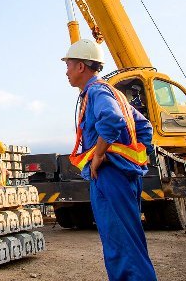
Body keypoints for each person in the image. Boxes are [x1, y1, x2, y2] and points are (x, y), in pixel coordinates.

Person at [62, 39, 157, 281]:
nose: (66, 71)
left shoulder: (96, 91)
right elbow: (144, 127)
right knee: (130, 241)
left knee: (119, 245)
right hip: (125, 176)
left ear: (81, 67)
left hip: (109, 176)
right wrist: (132, 160)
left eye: (69, 65)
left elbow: (112, 120)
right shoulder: (115, 93)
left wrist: (101, 154)